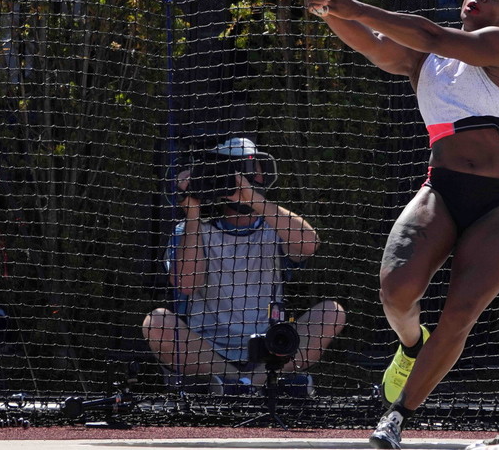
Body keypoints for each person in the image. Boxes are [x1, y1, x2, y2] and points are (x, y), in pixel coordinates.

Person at [304, 0, 499, 448]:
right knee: (396, 290)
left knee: (461, 312)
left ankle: (396, 416)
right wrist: (329, 9)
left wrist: (349, 4)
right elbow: (374, 43)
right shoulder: (424, 61)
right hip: (440, 189)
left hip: (497, 206)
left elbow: (427, 31)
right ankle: (411, 345)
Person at [142, 137, 346, 394]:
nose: (242, 180)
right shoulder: (192, 230)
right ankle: (235, 382)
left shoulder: (276, 225)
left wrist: (254, 201)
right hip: (207, 351)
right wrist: (193, 210)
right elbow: (185, 284)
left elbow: (310, 244)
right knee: (157, 322)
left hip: (269, 348)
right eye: (233, 172)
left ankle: (249, 384)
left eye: (250, 171)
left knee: (332, 312)